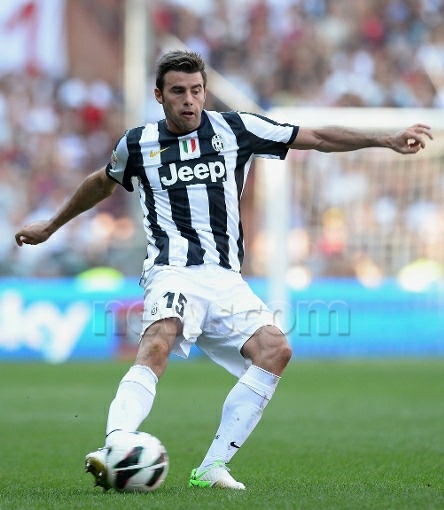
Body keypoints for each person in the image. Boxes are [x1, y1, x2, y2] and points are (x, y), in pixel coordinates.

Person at [15, 50, 433, 491]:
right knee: (159, 339)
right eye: (178, 91)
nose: (189, 100)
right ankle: (117, 443)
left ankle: (212, 466)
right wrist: (52, 225)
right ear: (159, 96)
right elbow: (101, 181)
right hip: (172, 269)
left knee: (275, 350)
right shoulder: (138, 144)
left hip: (226, 278)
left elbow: (314, 136)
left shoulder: (237, 129)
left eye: (196, 91)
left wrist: (384, 139)